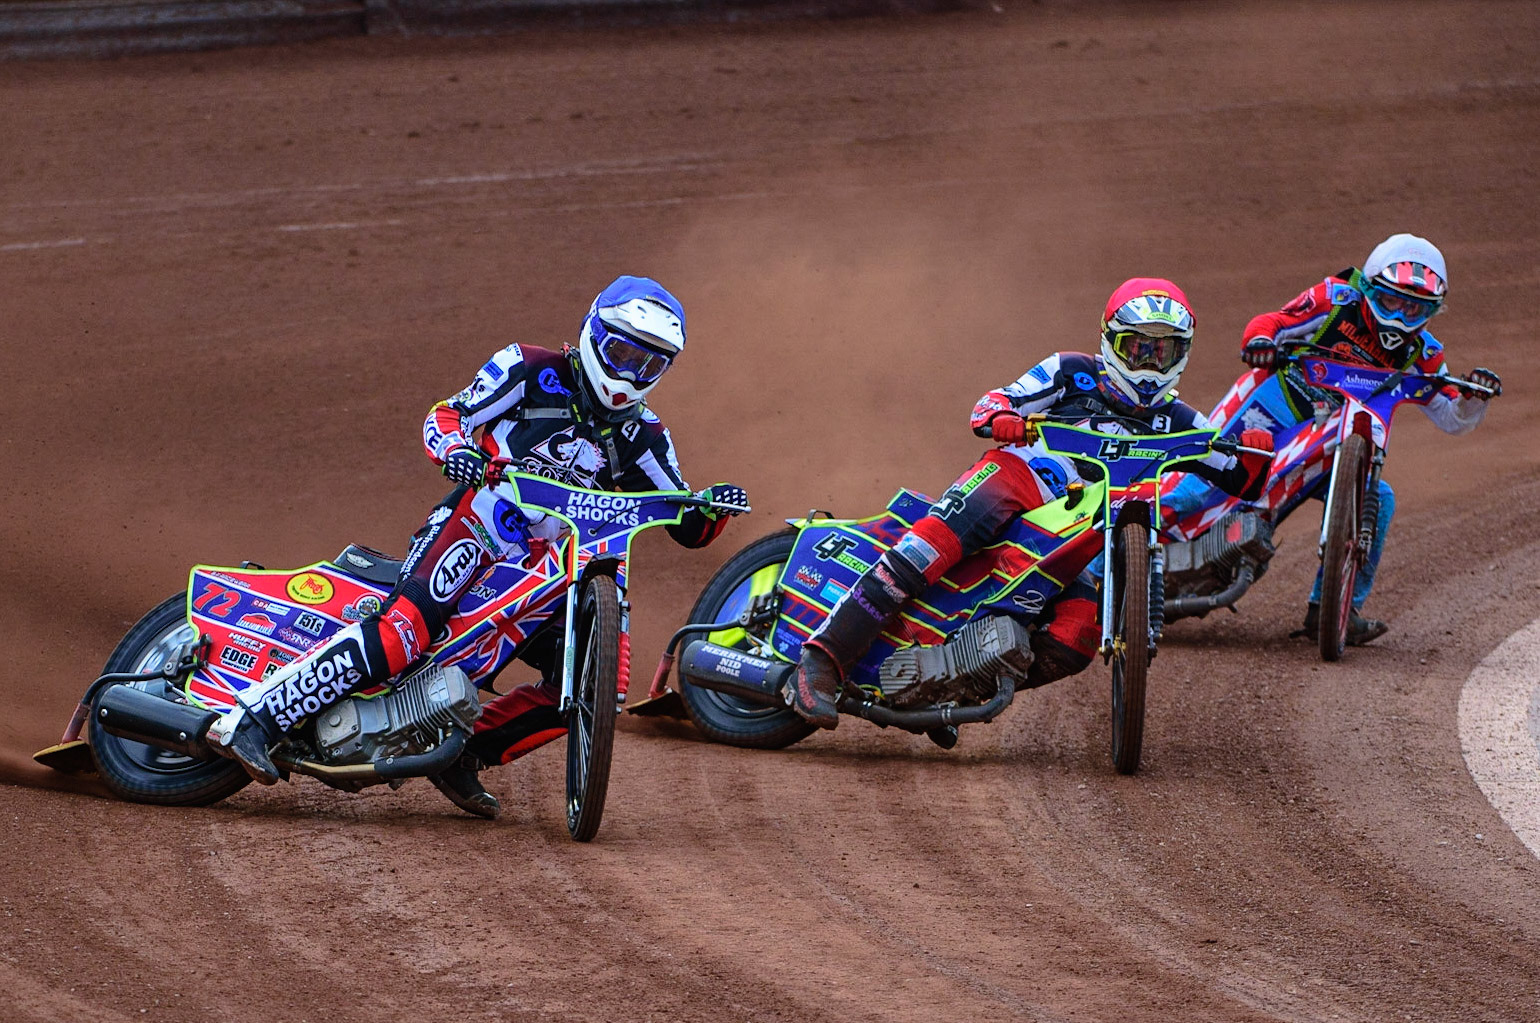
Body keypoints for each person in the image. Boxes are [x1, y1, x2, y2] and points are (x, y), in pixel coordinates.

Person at [206, 276, 748, 817]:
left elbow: (687, 522)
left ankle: (464, 755)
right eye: (622, 352)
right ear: (592, 332)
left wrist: (712, 508)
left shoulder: (646, 435)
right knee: (401, 634)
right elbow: (447, 415)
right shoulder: (530, 367)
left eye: (650, 364)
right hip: (479, 524)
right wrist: (457, 451)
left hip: (554, 566)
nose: (631, 373)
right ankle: (255, 719)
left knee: (589, 682)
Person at [789, 278, 1276, 729]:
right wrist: (1002, 415)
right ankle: (820, 662)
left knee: (1078, 635)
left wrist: (1255, 452)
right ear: (1111, 340)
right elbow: (991, 403)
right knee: (930, 547)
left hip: (1084, 530)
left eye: (1163, 350)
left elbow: (1240, 479)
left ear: (1182, 354)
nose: (1150, 363)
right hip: (1021, 480)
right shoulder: (1071, 372)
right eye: (1139, 347)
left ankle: (957, 685)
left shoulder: (1182, 420)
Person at [1214, 233, 1501, 644]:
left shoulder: (1423, 352)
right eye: (1391, 301)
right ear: (1368, 288)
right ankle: (1113, 567)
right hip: (1279, 411)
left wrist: (1473, 396)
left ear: (1432, 311)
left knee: (1379, 499)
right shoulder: (1335, 298)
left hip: (1333, 446)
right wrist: (1259, 342)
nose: (1400, 317)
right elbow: (1275, 323)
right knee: (1198, 484)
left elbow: (1453, 416)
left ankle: (1336, 611)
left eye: (1414, 307)